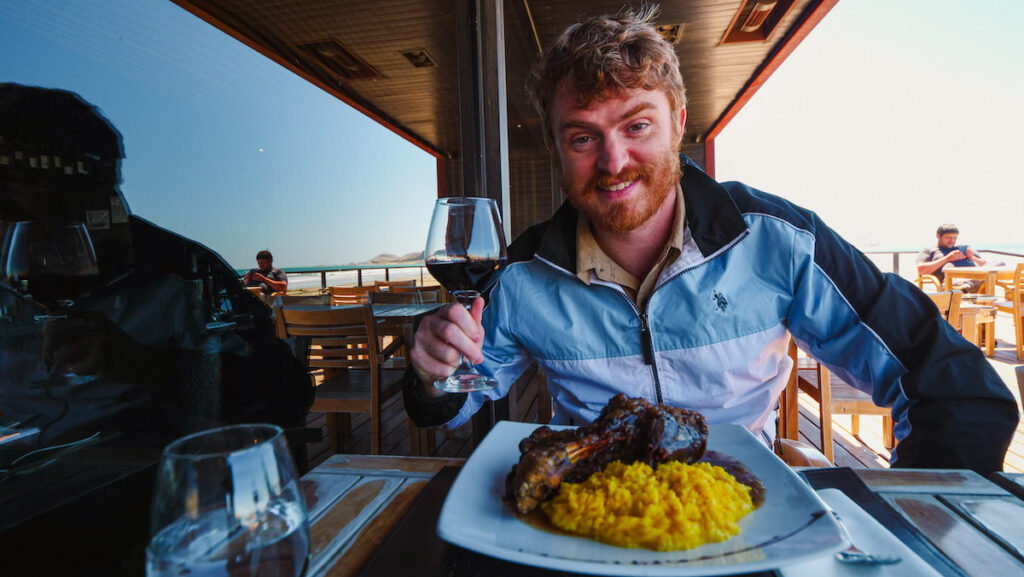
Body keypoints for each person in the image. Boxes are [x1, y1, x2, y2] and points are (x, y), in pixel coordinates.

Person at [403, 8, 1017, 475]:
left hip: (744, 511)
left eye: (637, 125)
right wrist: (434, 371)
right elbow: (459, 398)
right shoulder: (522, 273)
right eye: (583, 137)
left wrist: (901, 523)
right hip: (586, 521)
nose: (614, 161)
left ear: (679, 123)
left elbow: (959, 391)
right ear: (557, 150)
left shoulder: (779, 241)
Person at [0, 83, 313, 453]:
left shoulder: (183, 271)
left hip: (141, 486)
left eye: (18, 182)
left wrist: (145, 365)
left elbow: (286, 394)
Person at [917, 224, 987, 292]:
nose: (952, 241)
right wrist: (947, 258)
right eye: (948, 237)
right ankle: (964, 288)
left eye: (955, 238)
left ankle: (965, 287)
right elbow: (921, 269)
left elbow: (984, 264)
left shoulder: (962, 248)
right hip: (951, 281)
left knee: (991, 271)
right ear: (938, 236)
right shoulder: (931, 250)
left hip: (973, 277)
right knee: (982, 280)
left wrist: (972, 257)